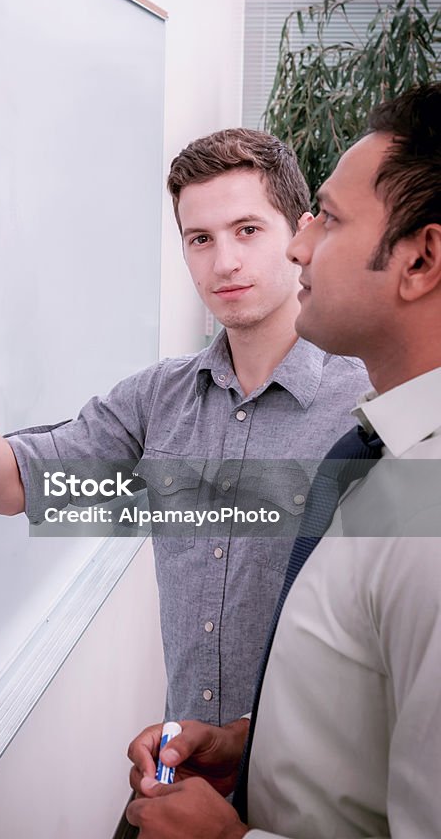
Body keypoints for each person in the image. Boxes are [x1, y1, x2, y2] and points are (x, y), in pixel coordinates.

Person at [0, 128, 368, 726]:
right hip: (181, 774)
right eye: (200, 238)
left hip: (314, 803)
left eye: (248, 230)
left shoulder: (367, 404)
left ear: (301, 233)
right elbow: (9, 487)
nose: (224, 261)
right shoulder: (160, 400)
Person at [126, 83, 441, 838]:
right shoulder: (382, 456)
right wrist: (252, 747)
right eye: (199, 238)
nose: (299, 246)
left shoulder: (426, 516)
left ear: (422, 259)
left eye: (326, 220)